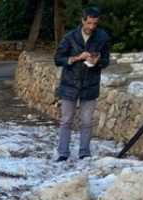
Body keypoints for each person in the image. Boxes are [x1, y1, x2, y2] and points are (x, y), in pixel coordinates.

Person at [53, 6, 111, 162]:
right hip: (69, 85)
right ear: (83, 20)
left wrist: (97, 61)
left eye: (95, 24)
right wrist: (77, 57)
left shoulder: (102, 37)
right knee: (66, 120)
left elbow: (106, 61)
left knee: (87, 121)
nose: (92, 27)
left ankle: (84, 153)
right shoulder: (70, 37)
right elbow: (58, 59)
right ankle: (63, 153)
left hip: (90, 85)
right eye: (89, 23)